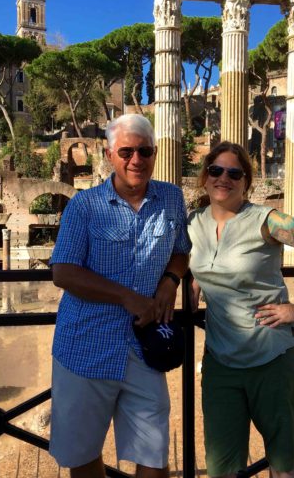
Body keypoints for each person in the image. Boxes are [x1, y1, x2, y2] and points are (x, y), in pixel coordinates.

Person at [188, 142, 294, 478]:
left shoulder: (267, 220)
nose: (224, 179)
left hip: (275, 358)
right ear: (205, 176)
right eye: (216, 170)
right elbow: (195, 273)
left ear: (246, 181)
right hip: (220, 362)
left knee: (282, 462)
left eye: (235, 173)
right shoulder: (193, 223)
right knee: (221, 467)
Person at [49, 114, 191, 478]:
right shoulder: (84, 206)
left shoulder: (172, 199)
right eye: (126, 151)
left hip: (144, 348)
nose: (136, 160)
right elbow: (63, 271)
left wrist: (171, 281)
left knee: (154, 456)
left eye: (144, 151)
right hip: (85, 345)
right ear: (110, 155)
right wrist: (129, 298)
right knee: (83, 458)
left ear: (155, 154)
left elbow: (181, 249)